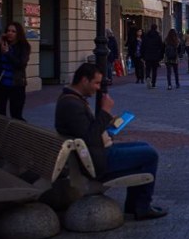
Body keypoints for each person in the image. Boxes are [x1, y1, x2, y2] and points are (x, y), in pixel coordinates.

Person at [55, 63, 167, 220]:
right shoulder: (71, 104)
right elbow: (91, 138)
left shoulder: (72, 100)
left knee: (144, 146)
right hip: (96, 160)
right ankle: (141, 206)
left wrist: (108, 124)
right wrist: (105, 112)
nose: (98, 88)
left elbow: (88, 132)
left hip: (95, 153)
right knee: (150, 154)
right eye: (96, 83)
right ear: (84, 80)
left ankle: (136, 205)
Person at [0, 21, 31, 120]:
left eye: (13, 31)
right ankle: (0, 134)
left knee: (16, 115)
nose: (10, 33)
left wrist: (7, 53)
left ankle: (18, 135)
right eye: (8, 31)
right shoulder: (3, 44)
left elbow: (20, 64)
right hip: (1, 85)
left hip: (17, 85)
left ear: (18, 33)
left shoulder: (24, 46)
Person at [141, 24, 164, 89]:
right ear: (156, 28)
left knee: (148, 68)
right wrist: (161, 56)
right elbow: (161, 47)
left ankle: (148, 76)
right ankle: (153, 84)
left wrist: (142, 55)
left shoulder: (146, 36)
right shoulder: (158, 36)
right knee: (154, 70)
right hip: (155, 56)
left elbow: (143, 46)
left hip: (147, 55)